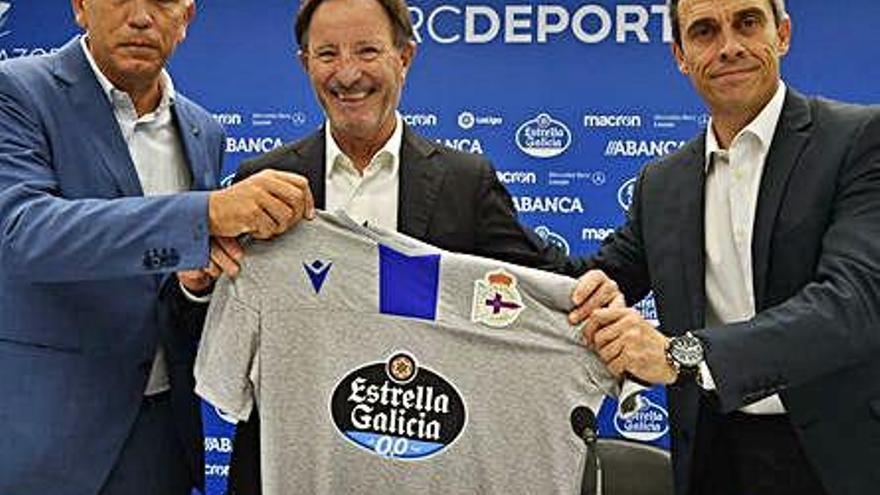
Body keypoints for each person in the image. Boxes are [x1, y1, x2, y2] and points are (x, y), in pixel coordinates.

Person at [222, 0, 619, 492]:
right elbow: (213, 322)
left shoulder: (464, 183)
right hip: (298, 470)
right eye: (327, 54)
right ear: (306, 64)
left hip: (428, 471)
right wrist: (197, 283)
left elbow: (545, 288)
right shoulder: (261, 184)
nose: (347, 74)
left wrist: (595, 296)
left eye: (367, 50)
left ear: (404, 58)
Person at [0, 1, 314, 494]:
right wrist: (203, 214)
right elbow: (21, 232)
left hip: (162, 438)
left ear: (185, 18)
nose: (142, 16)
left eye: (162, 1)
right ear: (81, 7)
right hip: (45, 441)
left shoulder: (202, 129)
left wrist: (194, 285)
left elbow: (169, 276)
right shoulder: (15, 89)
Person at [581, 1, 880, 494]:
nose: (729, 47)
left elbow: (852, 303)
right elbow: (594, 281)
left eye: (747, 22)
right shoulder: (662, 182)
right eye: (704, 31)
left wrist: (681, 356)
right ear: (680, 55)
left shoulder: (857, 140)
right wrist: (465, 208)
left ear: (781, 34)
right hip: (712, 456)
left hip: (839, 458)